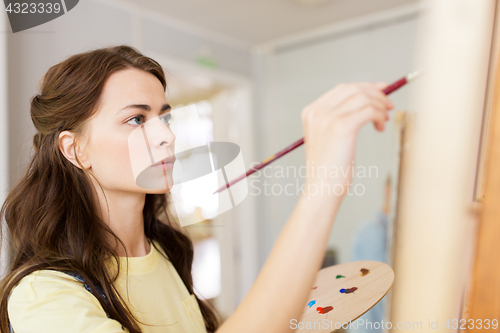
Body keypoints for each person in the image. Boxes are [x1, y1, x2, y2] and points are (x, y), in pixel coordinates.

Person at [0, 45, 394, 333]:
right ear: (75, 149)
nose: (166, 136)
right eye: (137, 120)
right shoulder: (43, 296)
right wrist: (324, 186)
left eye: (165, 117)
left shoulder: (165, 252)